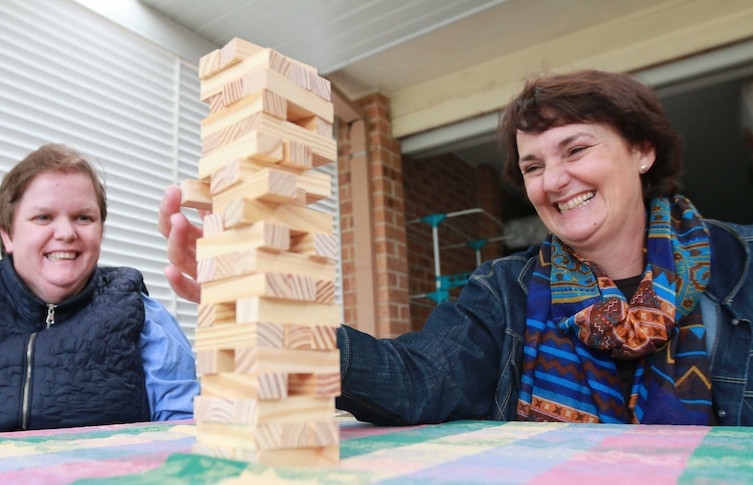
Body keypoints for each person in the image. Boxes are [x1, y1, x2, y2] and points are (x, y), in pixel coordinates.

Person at [158, 70, 753, 427]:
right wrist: (268, 312)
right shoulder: (502, 290)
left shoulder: (741, 265)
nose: (553, 181)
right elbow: (419, 376)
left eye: (575, 150)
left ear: (642, 150)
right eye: (532, 166)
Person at [0, 144, 199, 438]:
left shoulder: (146, 317)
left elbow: (184, 436)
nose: (66, 233)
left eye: (84, 217)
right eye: (43, 217)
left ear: (100, 231)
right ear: (7, 234)